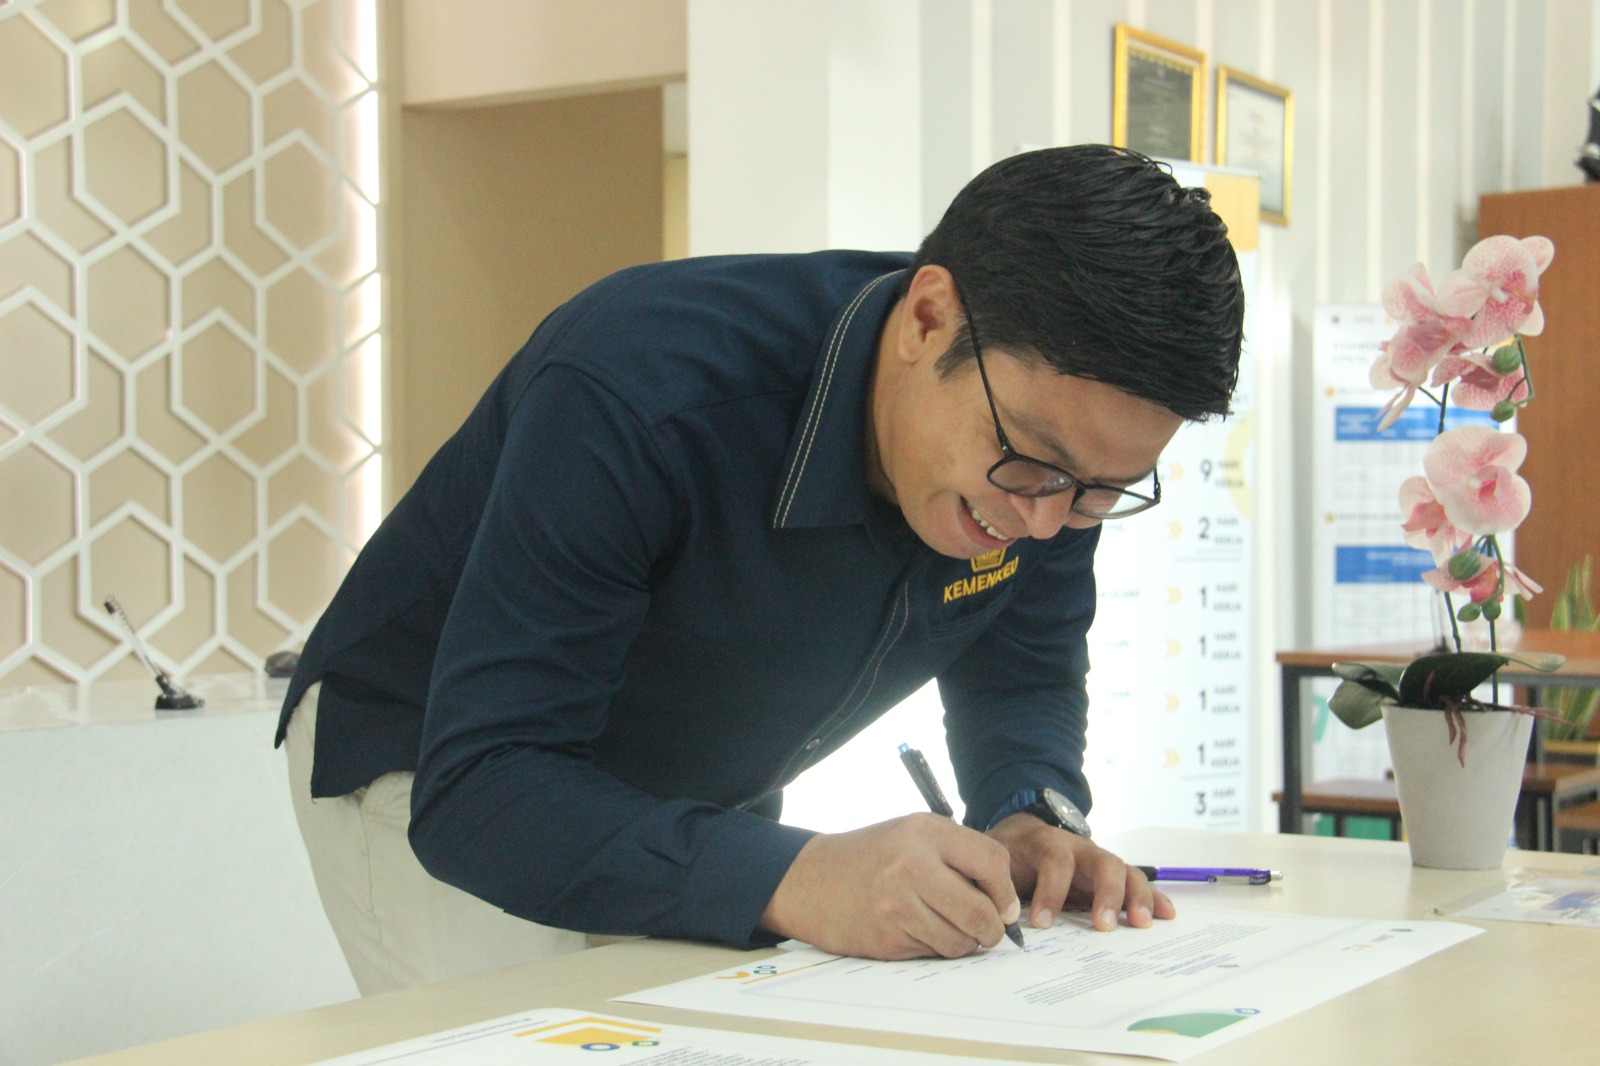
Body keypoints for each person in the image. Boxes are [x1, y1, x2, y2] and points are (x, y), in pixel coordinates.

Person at [277, 144, 1246, 995]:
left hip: (696, 784)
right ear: (927, 318)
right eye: (1029, 461)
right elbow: (480, 788)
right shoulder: (638, 386)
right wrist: (799, 874)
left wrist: (1029, 809)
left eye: (1099, 490)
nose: (1040, 520)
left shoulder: (1055, 463)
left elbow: (1022, 664)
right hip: (438, 761)